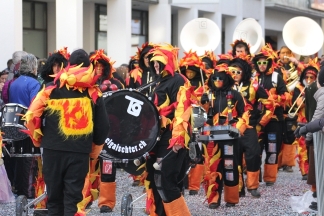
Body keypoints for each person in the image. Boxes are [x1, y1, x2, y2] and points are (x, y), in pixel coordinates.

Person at [23, 49, 109, 215]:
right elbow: (103, 127)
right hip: (79, 152)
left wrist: (38, 140)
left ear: (69, 65)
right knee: (73, 199)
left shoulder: (51, 88)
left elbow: (31, 116)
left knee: (54, 199)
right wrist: (93, 151)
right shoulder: (93, 92)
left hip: (52, 150)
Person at [144, 43, 192, 215]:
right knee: (153, 178)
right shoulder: (158, 82)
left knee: (166, 180)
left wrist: (179, 138)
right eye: (153, 61)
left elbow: (183, 110)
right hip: (155, 139)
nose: (155, 64)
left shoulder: (179, 80)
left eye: (158, 60)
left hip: (171, 139)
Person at [200, 61, 247, 209]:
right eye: (215, 79)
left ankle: (232, 198)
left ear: (226, 79)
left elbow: (244, 114)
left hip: (229, 138)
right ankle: (213, 199)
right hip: (211, 139)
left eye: (221, 78)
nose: (218, 81)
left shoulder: (235, 95)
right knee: (212, 168)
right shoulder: (206, 95)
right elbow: (198, 116)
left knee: (230, 167)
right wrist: (203, 106)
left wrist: (238, 128)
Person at [87, 49, 124, 213]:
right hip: (89, 130)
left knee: (108, 167)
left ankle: (106, 202)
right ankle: (85, 198)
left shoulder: (118, 83)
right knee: (86, 167)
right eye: (96, 65)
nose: (99, 69)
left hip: (111, 132)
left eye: (102, 66)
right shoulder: (85, 83)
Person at [229, 56, 268, 198]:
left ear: (244, 73)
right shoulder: (224, 86)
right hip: (231, 128)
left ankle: (253, 186)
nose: (235, 75)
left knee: (253, 154)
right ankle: (238, 188)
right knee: (233, 158)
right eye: (232, 72)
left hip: (250, 127)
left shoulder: (254, 85)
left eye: (238, 72)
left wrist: (259, 122)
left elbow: (268, 103)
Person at [252, 44, 289, 186]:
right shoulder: (253, 78)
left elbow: (285, 95)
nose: (262, 65)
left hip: (274, 120)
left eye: (264, 62)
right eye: (259, 63)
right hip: (258, 121)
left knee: (272, 149)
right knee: (256, 149)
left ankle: (270, 178)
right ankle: (255, 177)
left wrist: (274, 100)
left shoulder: (276, 76)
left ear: (269, 63)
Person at [7, 53, 40, 198]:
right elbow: (35, 104)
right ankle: (28, 191)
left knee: (19, 156)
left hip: (14, 124)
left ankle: (19, 189)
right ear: (33, 68)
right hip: (28, 124)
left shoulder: (14, 82)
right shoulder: (34, 84)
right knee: (29, 158)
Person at [179, 50, 207, 196]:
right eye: (187, 71)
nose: (189, 74)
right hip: (184, 122)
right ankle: (183, 182)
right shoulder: (182, 84)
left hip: (198, 121)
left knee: (197, 150)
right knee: (184, 151)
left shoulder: (203, 84)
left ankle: (195, 185)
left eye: (192, 71)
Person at [289, 58, 319, 180]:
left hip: (313, 120)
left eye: (312, 77)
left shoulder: (318, 89)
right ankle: (304, 171)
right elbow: (297, 105)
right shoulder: (299, 88)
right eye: (307, 77)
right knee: (302, 146)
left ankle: (313, 170)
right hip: (302, 119)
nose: (309, 80)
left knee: (313, 147)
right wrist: (304, 95)